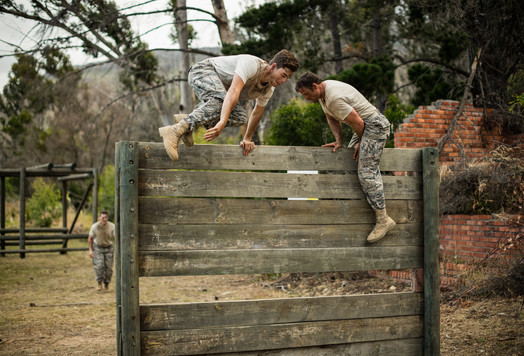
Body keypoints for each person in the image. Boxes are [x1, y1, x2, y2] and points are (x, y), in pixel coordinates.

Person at [295, 72, 396, 243]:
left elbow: (358, 123)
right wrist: (338, 141)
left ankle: (383, 219)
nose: (306, 98)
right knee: (351, 161)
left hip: (375, 126)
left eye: (306, 94)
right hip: (366, 124)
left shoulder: (333, 97)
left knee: (366, 172)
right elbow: (331, 117)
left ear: (315, 86)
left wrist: (361, 143)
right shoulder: (323, 94)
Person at [159, 49, 299, 161]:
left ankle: (188, 120)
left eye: (287, 78)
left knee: (240, 116)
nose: (284, 80)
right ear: (274, 66)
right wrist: (222, 122)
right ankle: (174, 131)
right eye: (284, 75)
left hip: (221, 94)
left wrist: (247, 139)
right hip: (202, 72)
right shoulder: (251, 64)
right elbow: (233, 92)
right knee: (221, 99)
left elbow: (257, 112)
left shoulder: (269, 89)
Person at [88, 211, 115, 291]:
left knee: (109, 268)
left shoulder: (112, 226)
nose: (104, 219)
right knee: (99, 266)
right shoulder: (95, 226)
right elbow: (90, 239)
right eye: (102, 217)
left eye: (106, 217)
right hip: (98, 248)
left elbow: (116, 237)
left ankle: (106, 284)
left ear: (107, 218)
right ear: (99, 218)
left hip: (109, 248)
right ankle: (99, 283)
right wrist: (90, 250)